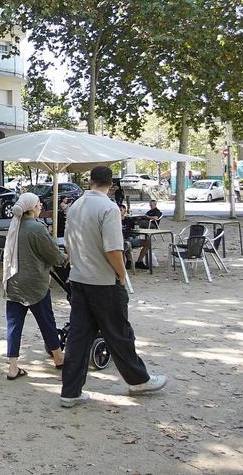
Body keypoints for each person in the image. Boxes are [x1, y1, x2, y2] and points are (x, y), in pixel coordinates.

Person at [60, 166, 166, 407]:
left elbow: (68, 244)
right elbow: (113, 249)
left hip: (79, 279)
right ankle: (138, 381)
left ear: (90, 181)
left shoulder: (75, 207)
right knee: (119, 333)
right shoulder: (108, 208)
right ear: (112, 184)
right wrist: (121, 274)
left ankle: (70, 391)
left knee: (78, 337)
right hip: (104, 281)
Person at [1, 192, 67, 380]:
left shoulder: (14, 227)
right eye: (39, 205)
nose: (40, 207)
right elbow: (54, 255)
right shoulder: (37, 229)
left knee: (14, 326)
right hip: (35, 285)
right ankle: (58, 358)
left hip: (13, 283)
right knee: (47, 322)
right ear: (32, 208)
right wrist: (65, 258)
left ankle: (13, 367)